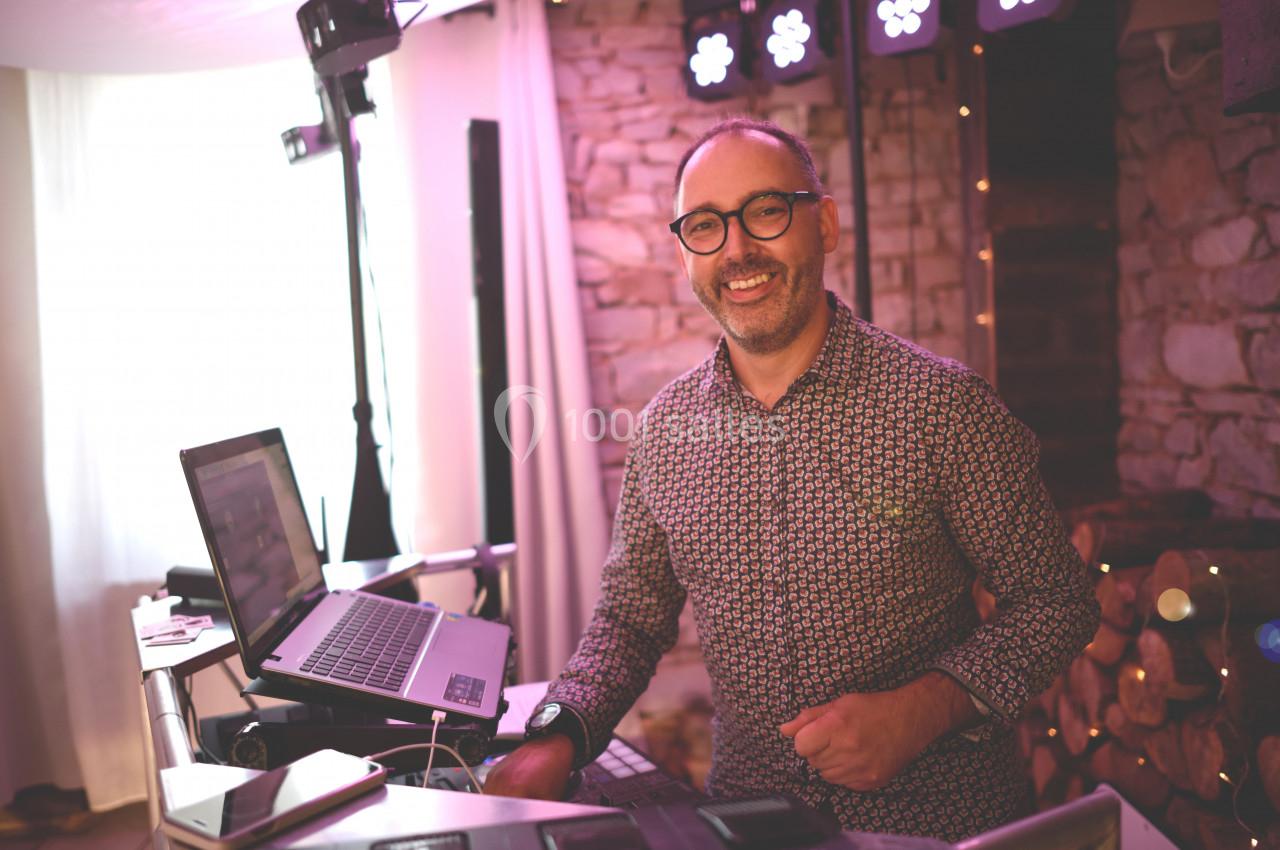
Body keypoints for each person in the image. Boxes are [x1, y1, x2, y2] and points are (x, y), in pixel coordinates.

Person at [483, 117, 1100, 841]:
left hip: (940, 825)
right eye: (706, 226)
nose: (738, 249)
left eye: (766, 212)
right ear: (684, 254)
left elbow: (1058, 601)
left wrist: (924, 708)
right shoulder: (664, 430)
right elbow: (630, 617)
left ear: (825, 222)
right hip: (749, 824)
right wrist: (555, 732)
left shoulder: (942, 406)